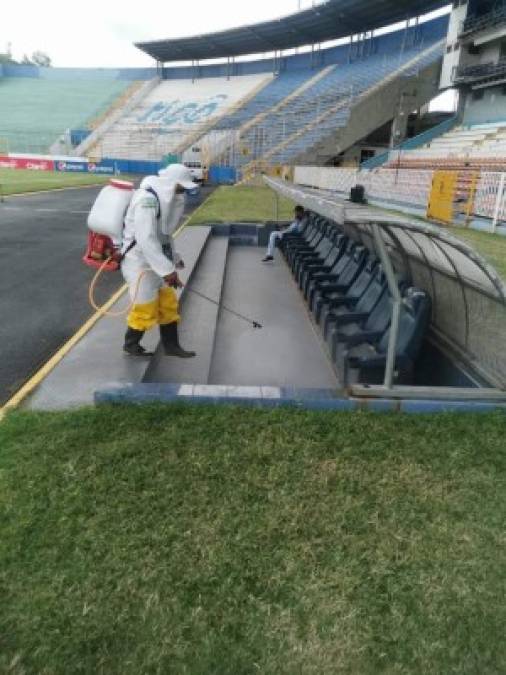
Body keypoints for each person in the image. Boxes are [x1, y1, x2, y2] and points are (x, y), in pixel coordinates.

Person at [121, 164, 197, 358]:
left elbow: (164, 235)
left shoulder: (164, 201)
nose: (181, 193)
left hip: (157, 260)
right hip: (138, 262)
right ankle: (131, 345)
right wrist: (168, 271)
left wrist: (174, 259)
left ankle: (171, 347)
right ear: (171, 183)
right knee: (145, 307)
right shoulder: (146, 200)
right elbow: (146, 239)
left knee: (168, 303)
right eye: (180, 188)